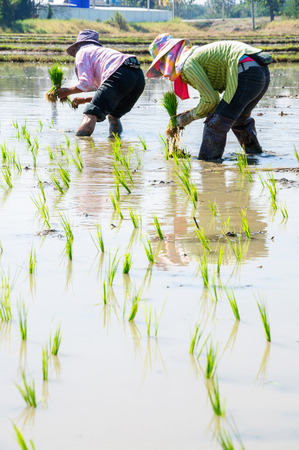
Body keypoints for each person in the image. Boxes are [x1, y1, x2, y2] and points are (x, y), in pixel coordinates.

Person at [146, 34, 271, 160]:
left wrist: (185, 118)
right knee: (239, 120)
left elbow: (210, 100)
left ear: (167, 58)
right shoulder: (196, 55)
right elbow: (214, 102)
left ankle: (208, 164)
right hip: (261, 72)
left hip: (245, 72)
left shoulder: (188, 64)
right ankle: (256, 156)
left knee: (215, 124)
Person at [58, 29, 145, 137]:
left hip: (119, 73)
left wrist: (66, 92)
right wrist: (85, 100)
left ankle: (80, 149)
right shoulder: (102, 54)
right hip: (138, 76)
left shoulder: (82, 52)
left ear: (78, 45)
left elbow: (85, 84)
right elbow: (109, 94)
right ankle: (115, 147)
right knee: (114, 115)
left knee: (90, 114)